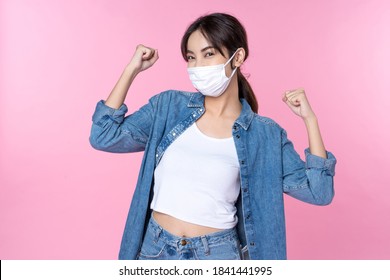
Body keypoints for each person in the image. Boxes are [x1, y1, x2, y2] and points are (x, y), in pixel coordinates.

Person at [89, 13, 337, 260]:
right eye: (191, 57)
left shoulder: (264, 134)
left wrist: (310, 120)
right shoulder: (168, 107)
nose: (197, 66)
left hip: (216, 255)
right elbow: (103, 135)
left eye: (208, 54)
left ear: (237, 57)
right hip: (156, 249)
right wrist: (131, 70)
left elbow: (319, 192)